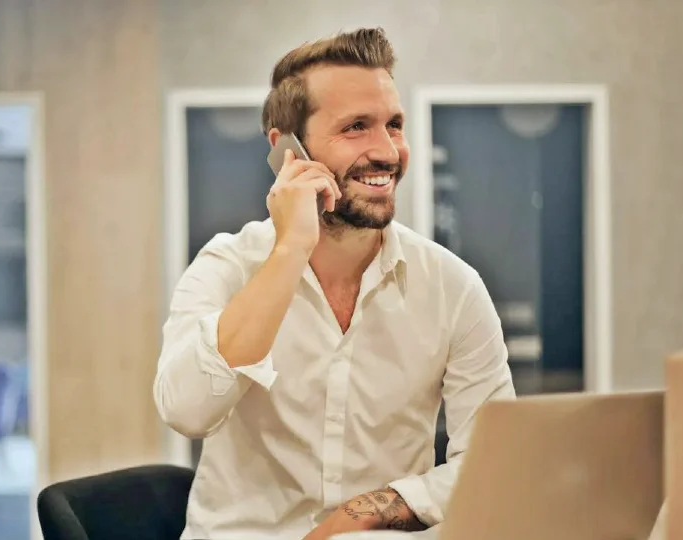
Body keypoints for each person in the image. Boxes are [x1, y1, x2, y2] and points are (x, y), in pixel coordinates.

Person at [154, 27, 515, 540]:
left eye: (394, 124)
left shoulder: (452, 287)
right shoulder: (227, 266)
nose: (387, 151)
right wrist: (289, 251)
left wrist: (365, 511)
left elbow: (493, 464)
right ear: (287, 151)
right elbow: (187, 410)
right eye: (356, 128)